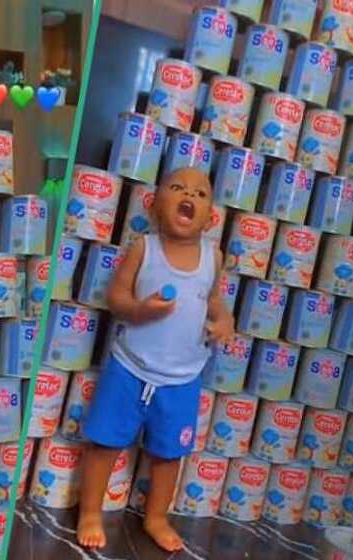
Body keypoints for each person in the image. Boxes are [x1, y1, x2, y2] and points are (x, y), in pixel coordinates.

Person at [76, 167, 235, 551]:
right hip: (130, 367)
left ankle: (157, 516)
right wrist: (139, 310)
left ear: (211, 216)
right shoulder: (144, 249)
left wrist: (225, 320)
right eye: (178, 188)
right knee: (105, 444)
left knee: (168, 454)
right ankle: (90, 512)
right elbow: (116, 297)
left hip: (182, 377)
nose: (189, 195)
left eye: (200, 193)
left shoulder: (212, 258)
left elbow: (213, 301)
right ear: (155, 205)